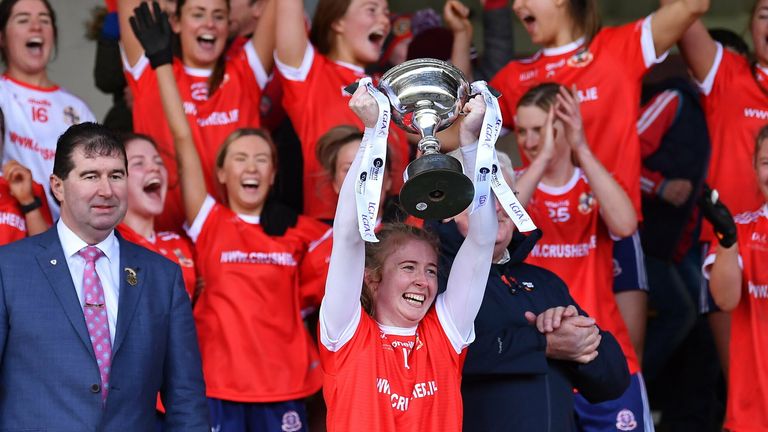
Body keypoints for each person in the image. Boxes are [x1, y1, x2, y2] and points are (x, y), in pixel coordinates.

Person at [134, 4, 329, 429]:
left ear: (275, 173)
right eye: (240, 158)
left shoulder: (301, 232)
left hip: (284, 389)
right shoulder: (207, 222)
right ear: (221, 173)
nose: (253, 167)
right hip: (216, 387)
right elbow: (183, 136)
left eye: (262, 159)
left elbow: (351, 250)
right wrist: (163, 63)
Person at [491, 0, 710, 366]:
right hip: (544, 233)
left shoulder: (616, 48)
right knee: (546, 354)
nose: (517, 6)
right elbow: (453, 134)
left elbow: (693, 5)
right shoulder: (515, 75)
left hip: (614, 229)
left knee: (622, 365)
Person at [0, 122, 208, 431]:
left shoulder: (162, 277)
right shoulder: (9, 268)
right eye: (90, 176)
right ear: (58, 186)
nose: (106, 190)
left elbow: (186, 398)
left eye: (116, 175)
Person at [317, 83, 497, 430]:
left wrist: (472, 144)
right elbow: (347, 236)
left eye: (431, 270)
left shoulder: (445, 334)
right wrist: (374, 132)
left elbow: (482, 239)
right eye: (408, 267)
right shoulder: (346, 333)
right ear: (373, 278)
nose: (423, 280)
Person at [428, 150, 629, 432]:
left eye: (505, 195)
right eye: (482, 195)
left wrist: (580, 339)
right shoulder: (431, 277)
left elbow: (615, 381)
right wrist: (543, 344)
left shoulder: (545, 281)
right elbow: (435, 359)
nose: (496, 207)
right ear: (447, 209)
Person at [513, 83, 650, 431]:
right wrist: (543, 159)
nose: (528, 141)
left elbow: (625, 224)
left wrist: (581, 148)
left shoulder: (595, 182)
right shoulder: (515, 187)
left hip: (600, 353)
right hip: (545, 358)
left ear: (563, 125)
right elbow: (505, 228)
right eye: (522, 131)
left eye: (539, 130)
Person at [119, 0, 275, 231]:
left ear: (229, 24)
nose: (210, 24)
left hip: (228, 238)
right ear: (176, 21)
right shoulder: (153, 66)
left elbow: (282, 6)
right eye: (198, 14)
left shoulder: (246, 71)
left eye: (219, 16)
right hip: (163, 232)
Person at [275, 0, 411, 220]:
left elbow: (443, 132)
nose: (385, 20)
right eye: (371, 10)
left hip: (394, 230)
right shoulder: (310, 74)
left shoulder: (388, 88)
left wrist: (461, 35)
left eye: (386, 12)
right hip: (330, 230)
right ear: (337, 21)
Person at [0, 0, 96, 219]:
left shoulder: (76, 108)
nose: (36, 27)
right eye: (23, 20)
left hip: (67, 238)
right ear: (2, 37)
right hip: (10, 229)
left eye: (44, 20)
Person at [703, 124, 768, 431]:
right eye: (767, 163)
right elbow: (725, 299)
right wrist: (728, 239)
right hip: (751, 414)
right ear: (754, 169)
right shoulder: (740, 228)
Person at [116, 133, 197, 301]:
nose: (155, 168)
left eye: (159, 162)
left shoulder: (180, 244)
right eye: (139, 163)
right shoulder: (105, 246)